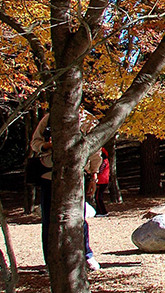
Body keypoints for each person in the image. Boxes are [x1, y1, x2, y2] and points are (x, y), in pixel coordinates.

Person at [31, 115, 100, 271]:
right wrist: (48, 146)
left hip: (75, 177)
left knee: (78, 219)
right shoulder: (49, 118)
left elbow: (95, 150)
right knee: (49, 220)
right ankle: (51, 261)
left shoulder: (87, 119)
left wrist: (94, 176)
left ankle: (86, 256)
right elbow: (35, 143)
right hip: (49, 176)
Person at [93, 148, 110, 216]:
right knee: (98, 196)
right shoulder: (106, 161)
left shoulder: (104, 162)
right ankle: (98, 211)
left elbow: (100, 171)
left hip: (102, 181)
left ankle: (103, 212)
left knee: (98, 197)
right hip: (103, 181)